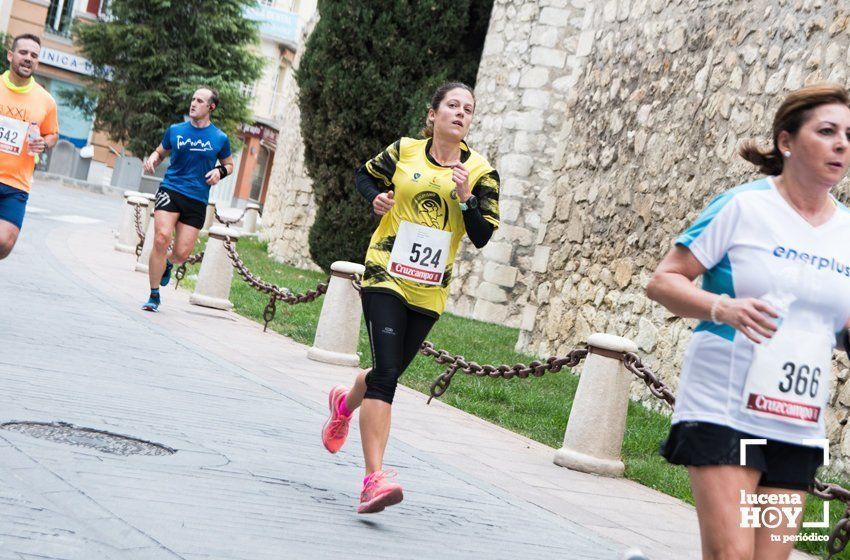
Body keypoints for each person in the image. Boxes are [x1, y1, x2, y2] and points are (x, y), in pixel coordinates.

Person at [647, 84, 850, 560]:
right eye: (826, 131)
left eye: (849, 134)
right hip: (726, 409)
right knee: (731, 557)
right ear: (786, 142)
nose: (842, 143)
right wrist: (725, 308)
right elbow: (663, 281)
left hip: (797, 423)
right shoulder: (743, 207)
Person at [320, 82, 501, 513]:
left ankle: (343, 403)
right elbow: (364, 175)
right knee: (386, 376)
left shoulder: (481, 172)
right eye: (452, 106)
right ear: (433, 114)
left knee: (387, 371)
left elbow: (482, 236)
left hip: (430, 288)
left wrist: (465, 199)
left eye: (468, 109)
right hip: (385, 271)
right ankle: (373, 479)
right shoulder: (404, 151)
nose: (460, 114)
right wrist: (377, 198)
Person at [141, 87, 233, 311]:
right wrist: (152, 158)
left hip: (197, 198)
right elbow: (160, 151)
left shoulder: (219, 138)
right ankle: (154, 295)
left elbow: (229, 164)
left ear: (211, 107)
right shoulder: (176, 130)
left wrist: (219, 172)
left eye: (199, 101)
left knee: (182, 254)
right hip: (171, 189)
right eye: (192, 99)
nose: (193, 103)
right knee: (161, 238)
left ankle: (168, 264)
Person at [0, 33, 58, 259]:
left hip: (17, 183)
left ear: (37, 62)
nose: (28, 58)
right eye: (23, 53)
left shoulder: (45, 100)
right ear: (11, 55)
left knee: (5, 242)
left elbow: (52, 134)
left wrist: (44, 143)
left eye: (34, 55)